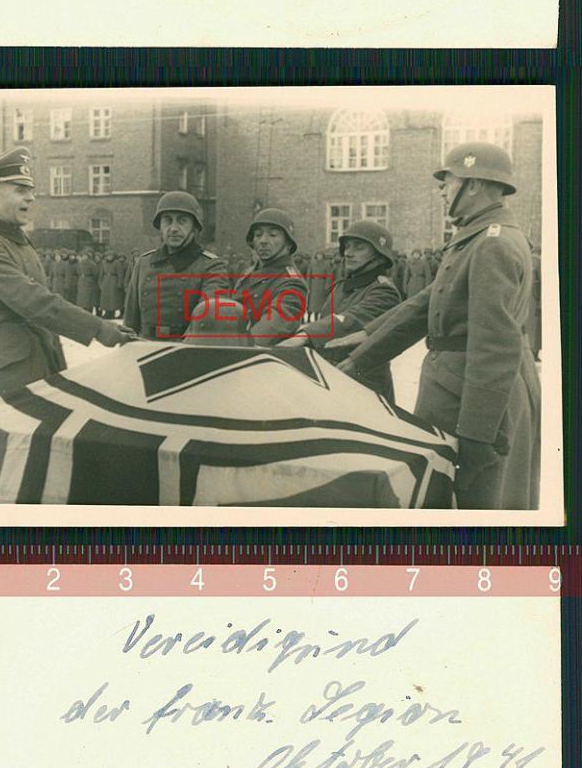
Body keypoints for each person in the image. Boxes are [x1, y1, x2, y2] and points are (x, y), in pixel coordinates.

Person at [340, 143, 541, 510]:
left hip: (473, 398)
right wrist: (365, 344)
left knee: (479, 507)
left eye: (448, 182)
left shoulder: (492, 244)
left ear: (473, 185)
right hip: (458, 387)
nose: (442, 191)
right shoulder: (475, 237)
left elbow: (494, 346)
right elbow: (427, 302)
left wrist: (478, 436)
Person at [0, 152, 131, 416]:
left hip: (36, 357)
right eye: (21, 191)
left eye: (30, 191)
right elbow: (32, 300)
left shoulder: (15, 240)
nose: (30, 198)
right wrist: (99, 328)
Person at [295, 222, 402, 401]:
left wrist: (306, 335)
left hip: (365, 386)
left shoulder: (384, 291)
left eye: (359, 247)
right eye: (347, 247)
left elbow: (350, 320)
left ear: (379, 256)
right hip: (332, 379)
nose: (348, 253)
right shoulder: (342, 286)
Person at [124, 190, 224, 339]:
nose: (174, 228)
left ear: (194, 226)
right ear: (160, 226)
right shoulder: (144, 263)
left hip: (186, 348)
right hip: (144, 346)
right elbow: (130, 322)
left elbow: (207, 319)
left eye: (182, 221)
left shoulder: (211, 266)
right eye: (167, 220)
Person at [232, 208, 308, 342]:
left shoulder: (291, 282)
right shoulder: (249, 272)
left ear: (288, 243)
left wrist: (240, 346)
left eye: (273, 235)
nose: (263, 241)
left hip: (258, 351)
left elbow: (273, 326)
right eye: (258, 235)